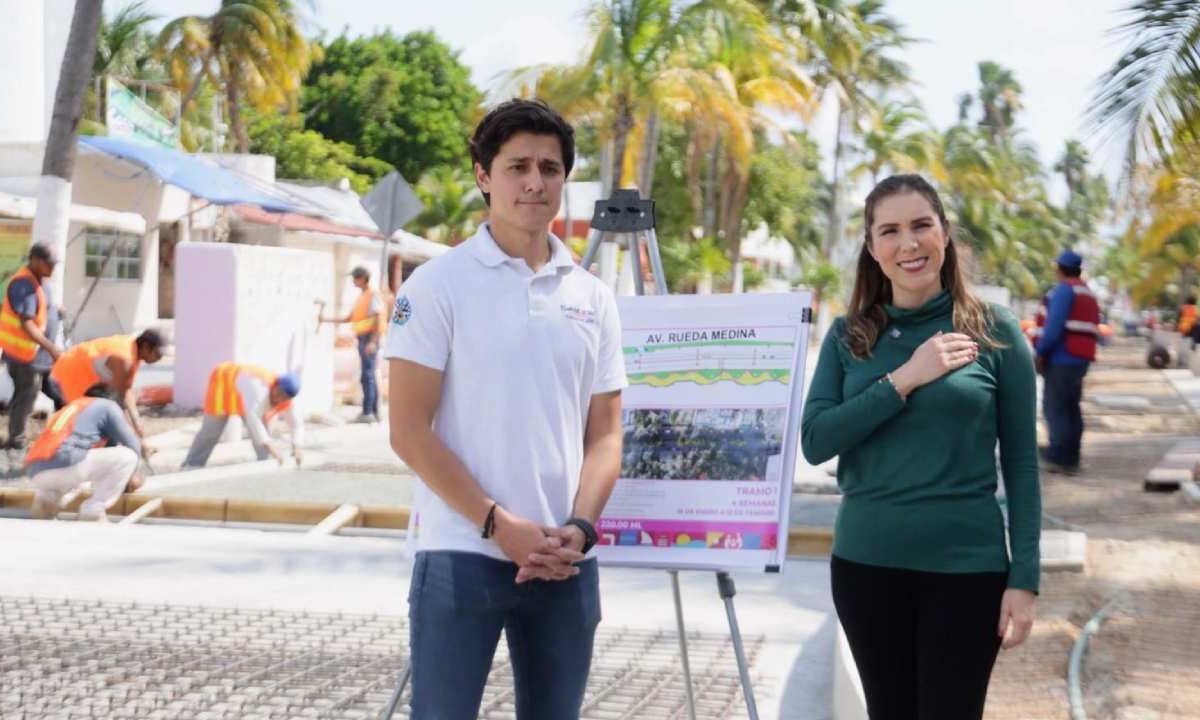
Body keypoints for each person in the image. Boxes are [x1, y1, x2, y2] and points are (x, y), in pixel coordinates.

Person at [384, 98, 626, 719]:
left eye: (550, 168)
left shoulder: (593, 297)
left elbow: (605, 437)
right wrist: (499, 526)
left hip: (565, 559)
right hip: (462, 554)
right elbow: (409, 432)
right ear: (483, 176)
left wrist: (579, 529)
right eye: (518, 165)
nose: (535, 181)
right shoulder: (437, 286)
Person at [801, 174, 1040, 720]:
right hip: (867, 568)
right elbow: (816, 442)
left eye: (920, 225)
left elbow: (1023, 467)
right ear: (872, 248)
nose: (908, 244)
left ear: (945, 233)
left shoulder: (994, 331)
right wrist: (905, 378)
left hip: (967, 571)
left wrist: (1024, 577)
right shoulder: (847, 336)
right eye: (889, 231)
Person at [27, 386, 144, 522]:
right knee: (128, 457)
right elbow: (133, 444)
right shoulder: (108, 406)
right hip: (66, 462)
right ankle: (93, 509)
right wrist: (132, 476)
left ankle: (46, 500)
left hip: (35, 470)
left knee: (78, 466)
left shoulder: (72, 408)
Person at [1033, 250, 1100, 474]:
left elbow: (1053, 328)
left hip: (1062, 357)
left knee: (1055, 408)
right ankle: (1072, 457)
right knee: (1071, 407)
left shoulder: (1064, 290)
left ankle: (1058, 458)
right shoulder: (1088, 292)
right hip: (1081, 358)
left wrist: (1039, 352)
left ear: (1060, 269)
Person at [181, 362, 303, 469]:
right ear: (275, 385)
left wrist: (297, 446)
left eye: (285, 397)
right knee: (211, 431)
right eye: (279, 393)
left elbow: (296, 424)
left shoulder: (286, 399)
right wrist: (270, 445)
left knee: (262, 439)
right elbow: (253, 418)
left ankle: (268, 466)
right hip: (223, 385)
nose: (279, 398)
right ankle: (191, 465)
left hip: (246, 398)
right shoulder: (259, 389)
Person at [0, 244, 62, 449]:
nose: (53, 268)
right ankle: (15, 441)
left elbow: (40, 310)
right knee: (26, 396)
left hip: (39, 357)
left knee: (58, 391)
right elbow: (26, 323)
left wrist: (56, 310)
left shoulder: (39, 282)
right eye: (49, 264)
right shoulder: (24, 284)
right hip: (25, 357)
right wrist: (51, 347)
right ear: (34, 259)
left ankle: (65, 432)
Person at [50, 330, 166, 437]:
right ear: (146, 347)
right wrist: (133, 436)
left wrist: (136, 422)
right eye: (158, 353)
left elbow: (126, 391)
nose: (160, 358)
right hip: (65, 377)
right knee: (72, 428)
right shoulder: (124, 359)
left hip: (78, 378)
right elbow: (118, 400)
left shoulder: (133, 351)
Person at [320, 266, 384, 423]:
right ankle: (373, 413)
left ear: (362, 278)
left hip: (369, 339)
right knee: (368, 375)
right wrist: (326, 320)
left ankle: (368, 412)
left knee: (367, 376)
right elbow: (350, 318)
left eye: (355, 278)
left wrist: (372, 342)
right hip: (363, 338)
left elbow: (377, 318)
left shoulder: (372, 295)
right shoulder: (363, 296)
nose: (353, 282)